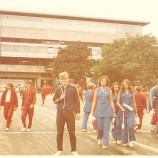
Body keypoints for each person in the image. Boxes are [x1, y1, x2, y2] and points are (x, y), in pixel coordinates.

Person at [53, 72, 80, 156]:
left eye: (65, 78)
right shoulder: (58, 89)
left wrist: (78, 112)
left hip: (69, 113)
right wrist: (60, 98)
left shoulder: (73, 88)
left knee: (72, 132)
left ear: (68, 79)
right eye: (62, 79)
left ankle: (73, 150)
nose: (64, 80)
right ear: (60, 80)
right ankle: (59, 149)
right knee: (59, 132)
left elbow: (77, 101)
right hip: (60, 113)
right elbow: (54, 100)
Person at [91, 76, 116, 149]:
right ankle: (99, 137)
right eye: (102, 81)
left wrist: (114, 111)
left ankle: (105, 143)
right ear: (100, 82)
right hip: (99, 110)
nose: (103, 82)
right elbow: (94, 101)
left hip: (108, 111)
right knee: (99, 127)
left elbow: (111, 101)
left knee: (106, 127)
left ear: (107, 82)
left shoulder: (109, 91)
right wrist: (92, 111)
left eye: (104, 81)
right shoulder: (97, 90)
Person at [117, 79, 138, 147]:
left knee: (130, 126)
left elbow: (134, 102)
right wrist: (121, 107)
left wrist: (136, 111)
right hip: (123, 110)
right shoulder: (120, 91)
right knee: (124, 127)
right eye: (124, 85)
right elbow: (118, 102)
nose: (125, 86)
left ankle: (131, 140)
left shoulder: (132, 92)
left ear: (129, 85)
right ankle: (124, 140)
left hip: (131, 110)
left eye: (127, 85)